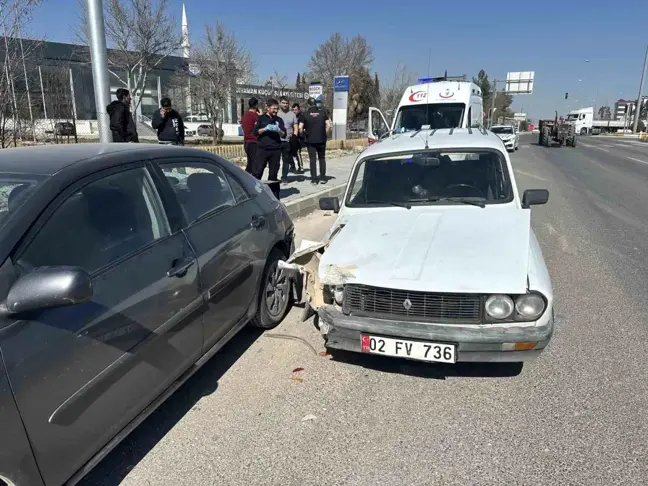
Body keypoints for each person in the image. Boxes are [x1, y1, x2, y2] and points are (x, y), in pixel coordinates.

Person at [252, 98, 286, 193]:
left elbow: (284, 134)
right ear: (267, 108)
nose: (275, 111)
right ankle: (254, 192)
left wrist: (279, 130)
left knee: (273, 174)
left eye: (277, 109)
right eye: (273, 108)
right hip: (262, 149)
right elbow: (255, 132)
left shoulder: (279, 120)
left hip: (275, 150)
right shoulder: (261, 118)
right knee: (257, 172)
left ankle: (274, 195)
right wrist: (265, 129)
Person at [299, 97, 331, 184]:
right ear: (316, 103)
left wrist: (303, 135)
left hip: (310, 140)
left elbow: (300, 128)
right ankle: (323, 178)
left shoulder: (305, 114)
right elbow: (328, 125)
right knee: (322, 158)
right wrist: (324, 133)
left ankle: (314, 179)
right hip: (321, 139)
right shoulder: (322, 113)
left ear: (308, 104)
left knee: (312, 159)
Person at [277, 96, 299, 183]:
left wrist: (294, 136)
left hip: (287, 141)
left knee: (286, 160)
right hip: (277, 141)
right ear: (280, 103)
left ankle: (284, 177)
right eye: (283, 103)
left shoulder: (292, 114)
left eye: (286, 103)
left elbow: (295, 126)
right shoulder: (277, 113)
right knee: (275, 161)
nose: (285, 105)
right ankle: (273, 177)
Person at [241, 97, 260, 174]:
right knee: (255, 164)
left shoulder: (245, 116)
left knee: (250, 163)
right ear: (256, 105)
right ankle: (252, 181)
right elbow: (259, 128)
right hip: (254, 142)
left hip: (246, 142)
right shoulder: (255, 116)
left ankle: (245, 178)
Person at [291, 103, 304, 172]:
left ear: (299, 110)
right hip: (291, 136)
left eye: (295, 110)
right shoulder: (292, 116)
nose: (294, 111)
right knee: (290, 152)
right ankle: (292, 166)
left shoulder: (301, 117)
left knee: (297, 152)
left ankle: (301, 167)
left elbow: (300, 127)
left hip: (298, 137)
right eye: (293, 110)